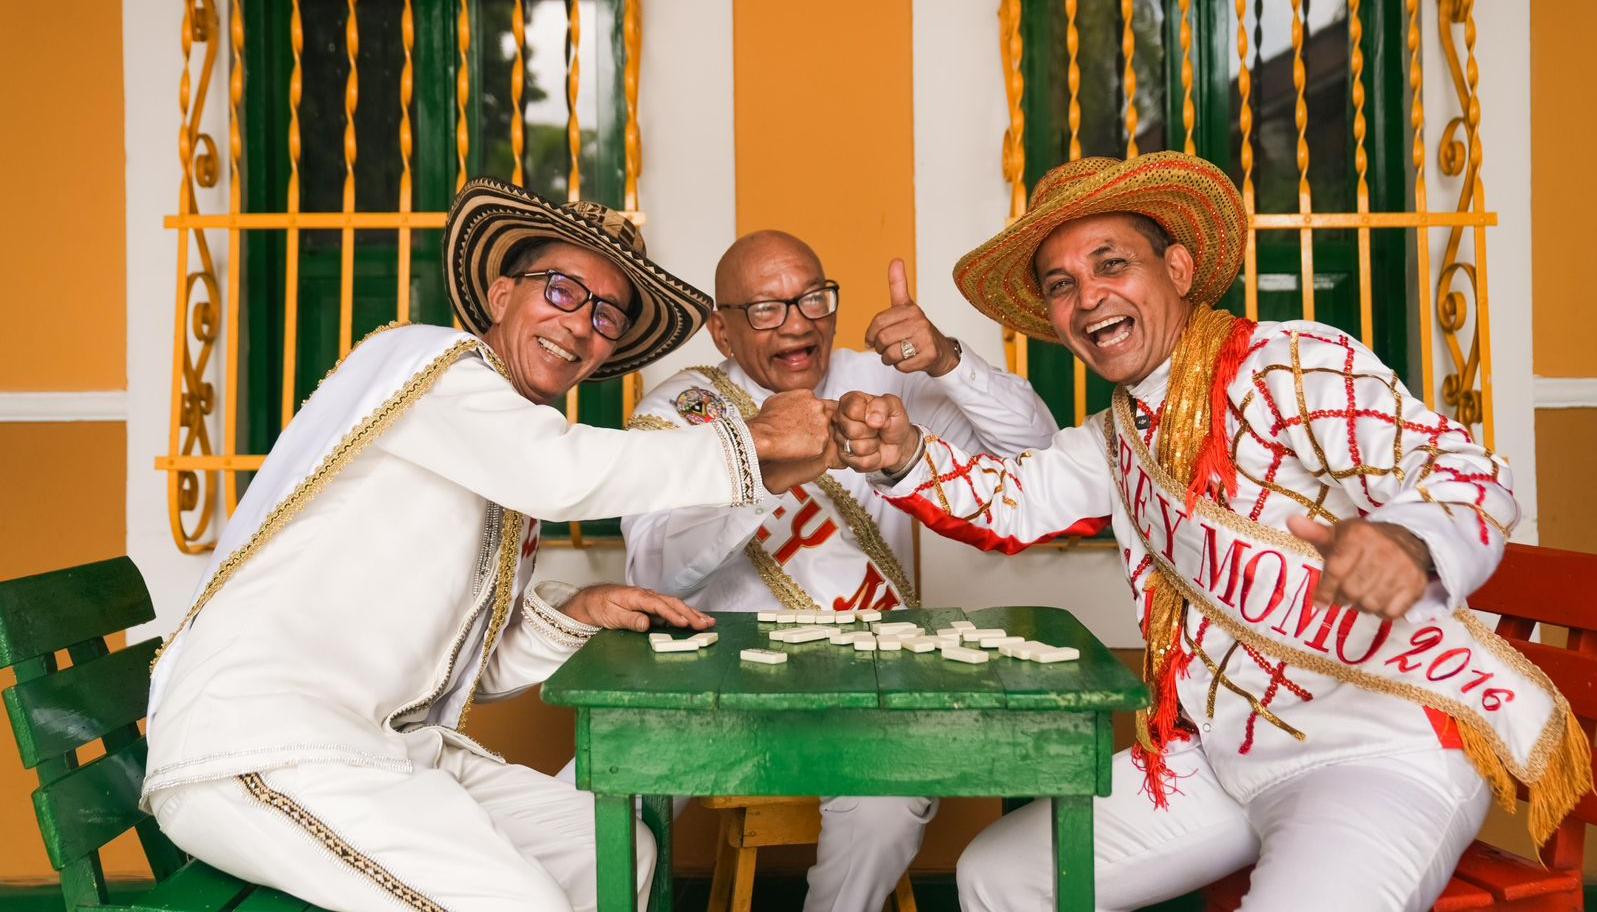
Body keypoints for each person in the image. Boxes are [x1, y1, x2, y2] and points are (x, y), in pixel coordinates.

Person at [832, 152, 1591, 912]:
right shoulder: (1116, 436)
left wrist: (1410, 541)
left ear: (1179, 267)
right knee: (999, 877)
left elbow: (1462, 470)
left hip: (1381, 747)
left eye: (1111, 264)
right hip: (1223, 757)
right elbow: (1009, 499)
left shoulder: (1286, 364)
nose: (1087, 296)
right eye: (1061, 285)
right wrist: (902, 455)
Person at [141, 179, 838, 912]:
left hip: (382, 750)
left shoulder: (504, 454)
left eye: (607, 315)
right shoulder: (429, 367)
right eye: (563, 291)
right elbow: (562, 472)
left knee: (612, 850)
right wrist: (748, 439)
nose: (581, 324)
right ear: (502, 294)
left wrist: (579, 614)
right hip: (261, 743)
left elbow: (472, 667)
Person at [618, 230, 1057, 912]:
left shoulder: (884, 381)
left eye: (812, 299)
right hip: (711, 689)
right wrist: (762, 472)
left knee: (888, 807)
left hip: (866, 687)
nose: (797, 324)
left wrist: (946, 360)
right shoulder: (683, 411)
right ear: (722, 331)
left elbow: (1037, 454)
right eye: (766, 309)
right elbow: (656, 571)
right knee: (596, 801)